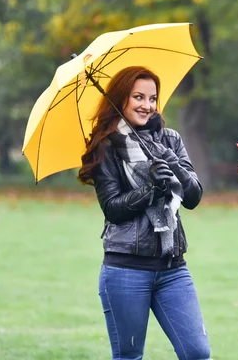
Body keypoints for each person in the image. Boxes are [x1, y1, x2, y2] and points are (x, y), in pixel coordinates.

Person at [78, 66, 211, 360]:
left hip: (172, 268)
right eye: (138, 96)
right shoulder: (106, 146)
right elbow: (113, 208)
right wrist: (150, 187)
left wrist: (172, 165)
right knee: (129, 356)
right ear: (121, 98)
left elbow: (193, 197)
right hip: (125, 269)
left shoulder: (170, 140)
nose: (147, 105)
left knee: (197, 353)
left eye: (152, 98)